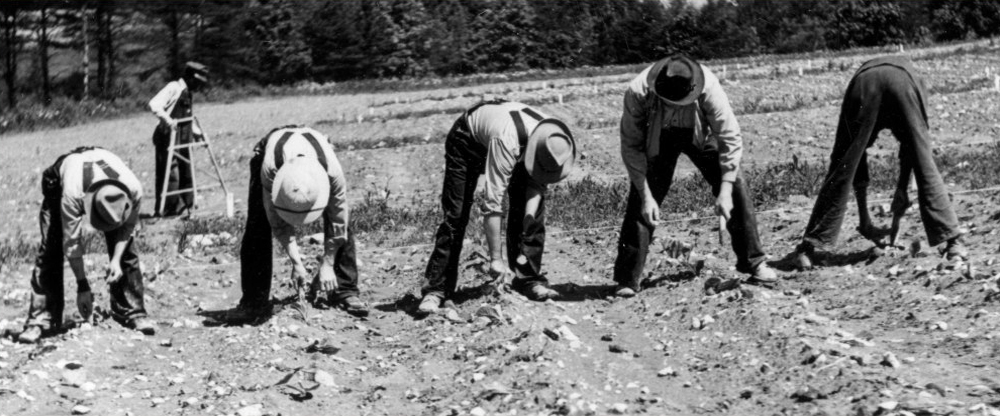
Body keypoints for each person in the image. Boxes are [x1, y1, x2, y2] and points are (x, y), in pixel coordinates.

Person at [615, 54, 777, 297]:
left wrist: (725, 191)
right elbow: (631, 147)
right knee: (642, 197)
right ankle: (628, 279)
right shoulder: (638, 92)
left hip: (701, 129)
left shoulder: (709, 87)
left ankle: (753, 261)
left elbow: (729, 136)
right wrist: (647, 195)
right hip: (658, 135)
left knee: (735, 186)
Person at [792, 56, 967, 269]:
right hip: (902, 83)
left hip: (864, 84)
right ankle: (953, 242)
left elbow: (857, 156)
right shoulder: (916, 80)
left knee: (844, 161)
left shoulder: (876, 74)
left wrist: (895, 194)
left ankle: (809, 247)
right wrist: (901, 188)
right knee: (923, 160)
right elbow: (911, 150)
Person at [417, 100, 577, 315]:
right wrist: (495, 259)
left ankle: (528, 279)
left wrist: (528, 220)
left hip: (514, 139)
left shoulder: (551, 140)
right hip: (467, 141)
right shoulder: (507, 141)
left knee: (531, 213)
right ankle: (437, 290)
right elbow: (493, 202)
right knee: (456, 214)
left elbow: (537, 184)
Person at [228, 126, 368, 322]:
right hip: (270, 152)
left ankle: (345, 289)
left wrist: (327, 264)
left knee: (342, 222)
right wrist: (297, 264)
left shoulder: (332, 171)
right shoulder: (270, 169)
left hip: (315, 153)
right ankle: (254, 301)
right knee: (258, 225)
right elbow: (277, 223)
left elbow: (338, 220)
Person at [19, 147, 152, 343]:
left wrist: (115, 261)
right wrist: (83, 286)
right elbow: (71, 242)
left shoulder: (132, 189)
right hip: (60, 179)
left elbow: (127, 230)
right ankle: (41, 320)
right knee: (50, 249)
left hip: (100, 161)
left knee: (126, 251)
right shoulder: (73, 194)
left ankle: (132, 312)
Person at [148, 61, 208, 217]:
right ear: (189, 77)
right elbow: (154, 104)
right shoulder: (174, 87)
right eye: (197, 81)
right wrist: (168, 121)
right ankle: (167, 210)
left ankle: (185, 207)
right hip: (167, 138)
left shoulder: (188, 92)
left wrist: (197, 132)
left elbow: (186, 116)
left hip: (183, 138)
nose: (199, 86)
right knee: (170, 174)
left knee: (186, 171)